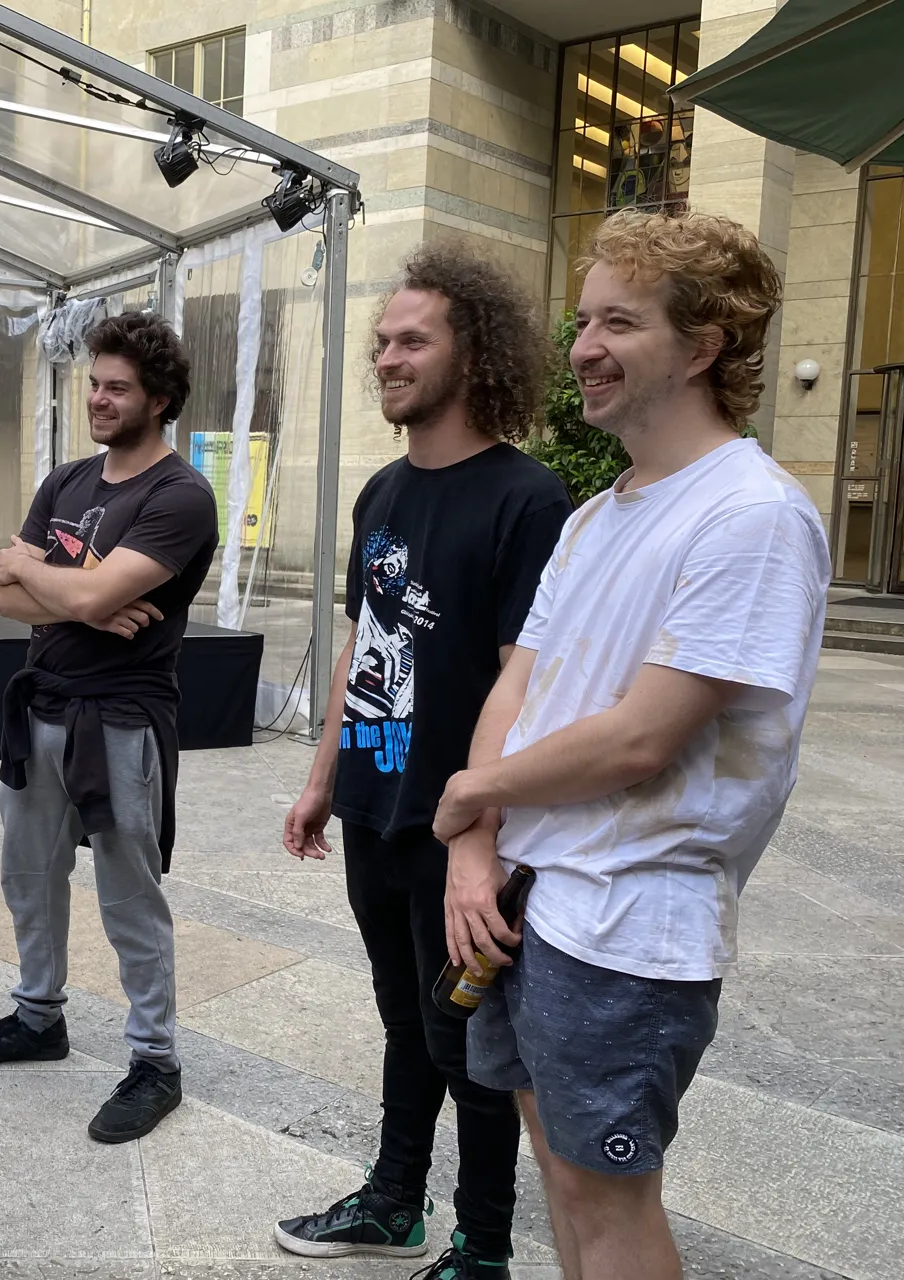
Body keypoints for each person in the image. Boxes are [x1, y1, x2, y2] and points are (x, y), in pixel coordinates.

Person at [434, 211, 829, 1280]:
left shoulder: (750, 515)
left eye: (619, 321)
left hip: (628, 921)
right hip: (525, 898)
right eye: (581, 322)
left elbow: (642, 738)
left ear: (702, 345)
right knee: (560, 1184)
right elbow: (520, 683)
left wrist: (468, 791)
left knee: (605, 1203)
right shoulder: (592, 517)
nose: (583, 348)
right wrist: (474, 840)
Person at [273, 245, 571, 1280]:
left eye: (413, 341)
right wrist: (323, 780)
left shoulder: (528, 499)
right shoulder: (381, 492)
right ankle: (395, 1199)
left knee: (470, 1044)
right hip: (373, 802)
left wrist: (479, 835)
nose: (388, 359)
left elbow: (525, 683)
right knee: (404, 1019)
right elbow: (363, 646)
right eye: (382, 342)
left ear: (473, 353)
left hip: (460, 830)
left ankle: (482, 1248)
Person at [0, 311, 216, 1143]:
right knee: (27, 875)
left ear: (160, 400)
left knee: (129, 894)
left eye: (118, 388)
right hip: (41, 705)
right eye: (93, 384)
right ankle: (37, 1016)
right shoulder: (67, 481)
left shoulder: (179, 496)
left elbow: (52, 587)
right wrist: (82, 600)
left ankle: (156, 1060)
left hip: (121, 718)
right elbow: (5, 599)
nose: (98, 399)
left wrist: (44, 574)